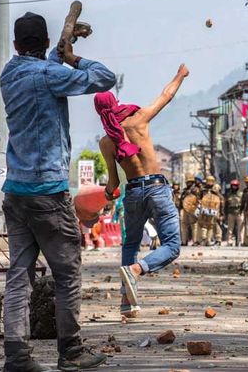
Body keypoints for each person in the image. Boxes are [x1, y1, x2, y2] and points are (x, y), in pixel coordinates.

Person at [0, 12, 115, 372]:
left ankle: (17, 357)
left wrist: (63, 48)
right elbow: (104, 78)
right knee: (66, 274)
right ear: (46, 44)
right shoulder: (51, 74)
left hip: (16, 192)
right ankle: (71, 351)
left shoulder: (10, 73)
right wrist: (73, 57)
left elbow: (42, 70)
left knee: (19, 275)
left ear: (17, 45)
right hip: (47, 193)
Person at [95, 65, 188, 318]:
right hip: (157, 188)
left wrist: (106, 195)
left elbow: (113, 184)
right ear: (116, 102)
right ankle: (139, 269)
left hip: (133, 192)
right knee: (172, 245)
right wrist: (180, 75)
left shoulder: (106, 142)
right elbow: (166, 96)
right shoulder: (140, 119)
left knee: (130, 244)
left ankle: (127, 303)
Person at [196, 175, 223, 246]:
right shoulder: (203, 189)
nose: (210, 182)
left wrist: (221, 212)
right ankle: (201, 239)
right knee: (202, 224)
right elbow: (199, 198)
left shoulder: (215, 189)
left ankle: (209, 240)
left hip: (213, 210)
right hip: (204, 210)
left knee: (211, 225)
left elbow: (220, 200)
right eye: (208, 181)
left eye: (211, 181)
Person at [179, 175, 200, 246]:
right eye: (188, 182)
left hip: (192, 209)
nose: (188, 183)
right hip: (184, 209)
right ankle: (184, 241)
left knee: (194, 225)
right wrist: (180, 208)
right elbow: (182, 200)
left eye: (190, 182)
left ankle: (195, 241)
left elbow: (197, 200)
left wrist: (196, 208)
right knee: (183, 225)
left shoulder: (195, 190)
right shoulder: (184, 190)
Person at [225, 179, 243, 246]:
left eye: (235, 186)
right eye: (233, 186)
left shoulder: (241, 194)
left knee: (240, 228)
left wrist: (242, 211)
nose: (234, 187)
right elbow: (226, 204)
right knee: (230, 228)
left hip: (239, 212)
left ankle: (239, 241)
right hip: (231, 212)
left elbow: (243, 203)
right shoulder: (229, 194)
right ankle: (229, 241)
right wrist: (225, 213)